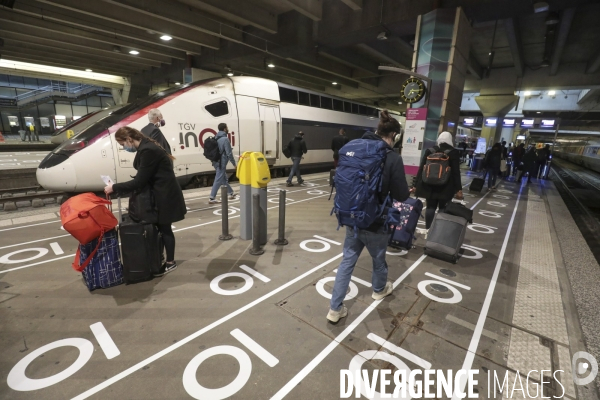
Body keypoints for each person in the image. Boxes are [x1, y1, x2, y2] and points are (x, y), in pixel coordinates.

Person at [326, 111, 410, 323]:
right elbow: (401, 195)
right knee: (378, 260)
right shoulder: (391, 157)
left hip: (351, 216)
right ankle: (379, 289)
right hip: (375, 220)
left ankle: (335, 309)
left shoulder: (354, 147)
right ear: (393, 134)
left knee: (347, 261)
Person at [104, 126, 186, 276]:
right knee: (160, 227)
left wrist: (114, 187)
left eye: (122, 144)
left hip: (165, 196)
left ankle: (170, 262)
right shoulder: (145, 146)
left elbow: (139, 182)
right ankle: (158, 258)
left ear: (129, 139)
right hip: (160, 194)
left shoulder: (148, 150)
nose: (123, 148)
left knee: (165, 228)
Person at [414, 131, 463, 236]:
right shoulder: (453, 152)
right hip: (445, 186)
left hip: (428, 185)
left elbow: (421, 168)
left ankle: (428, 230)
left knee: (430, 207)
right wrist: (459, 189)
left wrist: (415, 185)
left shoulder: (430, 150)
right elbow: (455, 172)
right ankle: (438, 233)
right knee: (443, 208)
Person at [208, 123, 237, 204]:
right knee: (218, 179)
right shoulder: (225, 139)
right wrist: (234, 164)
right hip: (221, 162)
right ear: (224, 129)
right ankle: (212, 197)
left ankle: (231, 193)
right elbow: (229, 153)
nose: (227, 129)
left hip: (215, 161)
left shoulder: (216, 137)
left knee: (223, 178)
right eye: (227, 127)